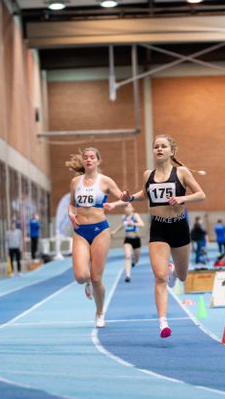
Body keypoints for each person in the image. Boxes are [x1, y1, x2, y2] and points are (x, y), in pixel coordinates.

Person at [106, 134, 205, 338]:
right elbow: (145, 193)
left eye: (163, 146)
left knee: (182, 275)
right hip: (158, 229)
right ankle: (163, 322)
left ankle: (174, 270)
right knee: (160, 277)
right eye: (156, 146)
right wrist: (130, 197)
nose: (159, 149)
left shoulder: (182, 173)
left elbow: (201, 195)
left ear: (171, 151)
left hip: (178, 228)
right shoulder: (147, 175)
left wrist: (181, 198)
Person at [67, 147, 130, 328]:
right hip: (80, 230)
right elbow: (72, 204)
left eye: (92, 157)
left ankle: (100, 312)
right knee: (81, 276)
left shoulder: (105, 181)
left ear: (98, 161)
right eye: (85, 157)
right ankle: (86, 282)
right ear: (82, 161)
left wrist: (115, 204)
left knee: (96, 278)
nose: (88, 160)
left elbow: (125, 199)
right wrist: (71, 214)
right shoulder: (75, 182)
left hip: (100, 230)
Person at [111, 203, 144, 283]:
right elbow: (122, 226)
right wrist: (115, 231)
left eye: (129, 207)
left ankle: (134, 261)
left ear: (132, 209)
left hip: (136, 239)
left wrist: (133, 223)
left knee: (136, 260)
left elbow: (142, 224)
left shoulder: (135, 215)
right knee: (127, 256)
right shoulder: (124, 217)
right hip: (127, 239)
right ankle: (127, 275)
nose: (127, 209)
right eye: (126, 208)